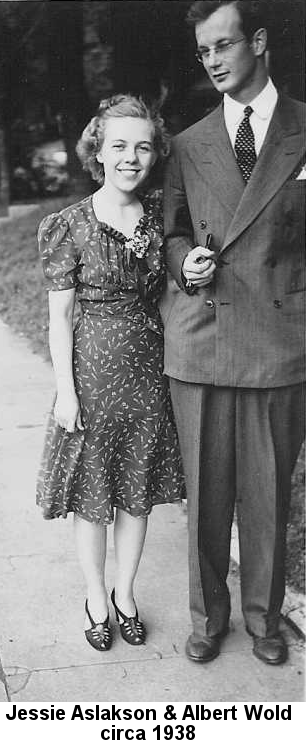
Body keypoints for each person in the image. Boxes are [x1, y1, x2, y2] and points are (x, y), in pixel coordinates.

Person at [161, 0, 305, 666]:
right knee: (207, 496)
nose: (213, 60)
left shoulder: (305, 128)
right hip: (204, 336)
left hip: (280, 338)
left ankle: (264, 619)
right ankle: (207, 616)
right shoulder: (189, 143)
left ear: (258, 40)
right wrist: (184, 262)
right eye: (203, 52)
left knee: (270, 493)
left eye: (222, 45)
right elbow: (172, 231)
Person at [36, 94, 185, 652]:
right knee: (95, 496)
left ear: (155, 154)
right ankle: (96, 598)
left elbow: (171, 292)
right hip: (92, 381)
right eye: (119, 145)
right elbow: (60, 318)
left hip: (149, 375)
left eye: (143, 146)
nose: (131, 157)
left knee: (136, 492)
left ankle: (126, 594)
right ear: (97, 149)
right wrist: (65, 394)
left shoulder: (160, 219)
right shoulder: (68, 225)